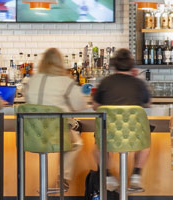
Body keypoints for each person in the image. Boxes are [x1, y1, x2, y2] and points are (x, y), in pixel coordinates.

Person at [21, 48, 83, 191]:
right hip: (57, 134)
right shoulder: (65, 81)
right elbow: (79, 105)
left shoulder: (32, 80)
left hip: (31, 136)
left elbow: (29, 102)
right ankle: (63, 177)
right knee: (76, 143)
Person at [93, 49, 155, 191]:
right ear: (132, 66)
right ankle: (136, 175)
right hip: (135, 137)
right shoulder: (139, 84)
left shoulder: (105, 82)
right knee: (146, 141)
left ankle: (107, 175)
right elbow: (148, 103)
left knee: (98, 144)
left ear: (114, 65)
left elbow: (96, 106)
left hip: (110, 136)